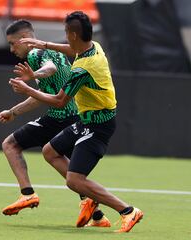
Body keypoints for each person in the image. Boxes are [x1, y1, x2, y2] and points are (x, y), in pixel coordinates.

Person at [10, 11, 143, 232]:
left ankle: (127, 211)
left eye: (66, 32)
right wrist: (42, 43)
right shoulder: (93, 47)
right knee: (50, 151)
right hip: (87, 121)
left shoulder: (83, 68)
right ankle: (92, 203)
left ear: (72, 34)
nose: (65, 36)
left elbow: (59, 101)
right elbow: (72, 50)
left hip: (97, 125)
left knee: (74, 180)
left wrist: (27, 88)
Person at [0, 20, 110, 226]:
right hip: (72, 115)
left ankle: (27, 193)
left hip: (60, 116)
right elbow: (41, 95)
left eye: (13, 43)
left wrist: (33, 76)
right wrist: (13, 112)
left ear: (25, 39)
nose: (12, 49)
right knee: (62, 162)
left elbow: (48, 69)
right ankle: (97, 215)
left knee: (10, 144)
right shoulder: (50, 52)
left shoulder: (35, 54)